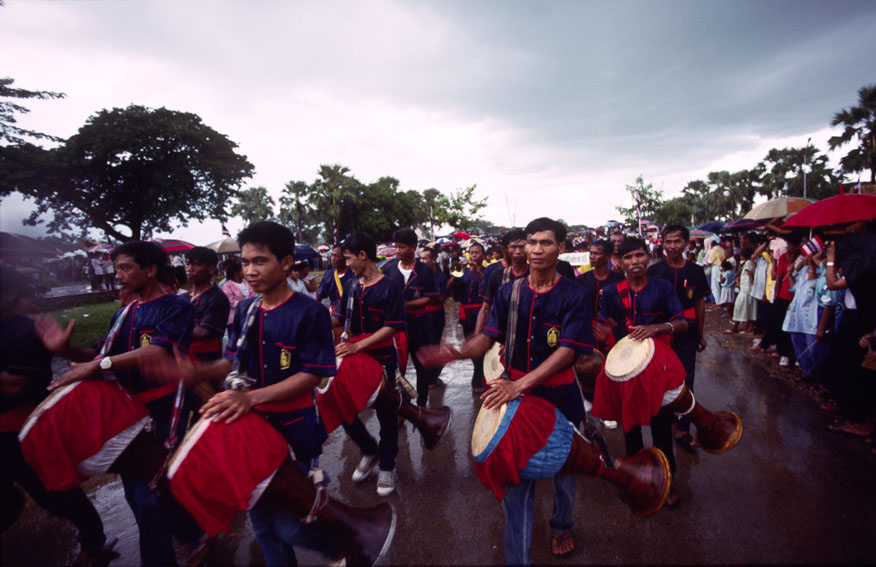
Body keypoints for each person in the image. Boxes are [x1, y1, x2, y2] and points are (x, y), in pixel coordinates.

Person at [419, 217, 594, 564]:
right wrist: (456, 351)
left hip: (560, 397)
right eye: (532, 242)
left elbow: (567, 352)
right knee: (516, 484)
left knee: (566, 470)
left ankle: (562, 523)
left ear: (561, 247)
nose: (537, 249)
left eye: (546, 243)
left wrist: (519, 385)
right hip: (518, 401)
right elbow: (487, 337)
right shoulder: (508, 291)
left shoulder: (575, 293)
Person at [169, 221, 343, 565]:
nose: (250, 270)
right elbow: (233, 359)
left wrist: (250, 398)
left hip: (294, 430)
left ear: (286, 263)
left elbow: (314, 376)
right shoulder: (247, 311)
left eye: (260, 261)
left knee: (290, 524)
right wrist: (200, 372)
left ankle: (339, 546)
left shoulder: (310, 312)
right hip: (250, 432)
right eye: (245, 262)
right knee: (261, 523)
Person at [39, 241, 203, 567]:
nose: (117, 276)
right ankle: (192, 531)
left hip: (164, 411)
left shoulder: (176, 307)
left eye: (125, 268)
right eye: (116, 269)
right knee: (139, 493)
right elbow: (99, 356)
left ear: (151, 270)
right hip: (126, 415)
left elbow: (157, 352)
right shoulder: (124, 312)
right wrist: (66, 351)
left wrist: (98, 366)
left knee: (147, 497)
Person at [1, 267, 113, 566]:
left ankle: (92, 539)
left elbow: (15, 386)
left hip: (22, 428)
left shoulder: (27, 331)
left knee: (53, 491)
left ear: (9, 294)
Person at [597, 237, 688, 508]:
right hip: (626, 369)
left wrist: (657, 328)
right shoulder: (613, 292)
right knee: (631, 430)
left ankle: (665, 483)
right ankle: (637, 481)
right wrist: (603, 332)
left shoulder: (661, 287)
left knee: (661, 429)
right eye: (628, 258)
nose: (635, 262)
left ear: (647, 257)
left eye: (639, 255)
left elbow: (681, 322)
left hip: (657, 367)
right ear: (619, 262)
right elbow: (605, 323)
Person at [332, 232, 407, 496]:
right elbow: (339, 317)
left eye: (349, 258)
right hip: (353, 362)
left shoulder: (391, 287)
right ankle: (369, 449)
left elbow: (393, 327)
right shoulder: (352, 285)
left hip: (382, 359)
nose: (347, 263)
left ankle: (387, 465)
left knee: (387, 417)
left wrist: (358, 346)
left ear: (363, 255)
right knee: (344, 409)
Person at [646, 225, 710, 452]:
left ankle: (683, 427)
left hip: (686, 333)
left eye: (676, 241)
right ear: (662, 244)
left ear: (686, 243)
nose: (672, 246)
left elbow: (700, 303)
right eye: (667, 242)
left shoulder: (696, 271)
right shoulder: (654, 271)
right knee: (660, 378)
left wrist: (700, 334)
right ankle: (665, 419)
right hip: (660, 334)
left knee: (686, 378)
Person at [381, 228, 441, 406]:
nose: (397, 251)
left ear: (413, 248)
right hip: (395, 327)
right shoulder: (389, 268)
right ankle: (401, 406)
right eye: (396, 247)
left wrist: (405, 305)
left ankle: (422, 405)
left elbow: (430, 297)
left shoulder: (424, 271)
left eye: (402, 247)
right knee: (396, 368)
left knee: (422, 367)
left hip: (419, 325)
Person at [448, 241, 486, 392]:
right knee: (469, 344)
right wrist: (456, 275)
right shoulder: (463, 271)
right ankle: (479, 376)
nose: (474, 255)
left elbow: (488, 286)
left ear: (483, 255)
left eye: (477, 252)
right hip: (466, 315)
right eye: (472, 252)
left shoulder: (488, 270)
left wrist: (477, 271)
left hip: (481, 313)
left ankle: (478, 379)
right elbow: (448, 288)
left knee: (481, 346)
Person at [183, 247, 230, 365]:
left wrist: (171, 328)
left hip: (206, 363)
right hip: (183, 358)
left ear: (211, 269)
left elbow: (204, 332)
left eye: (195, 265)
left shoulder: (217, 298)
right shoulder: (184, 297)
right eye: (187, 264)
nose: (189, 269)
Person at [316, 245, 355, 310]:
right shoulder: (328, 275)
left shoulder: (353, 274)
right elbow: (319, 296)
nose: (332, 258)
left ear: (345, 257)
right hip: (334, 316)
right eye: (332, 255)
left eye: (335, 256)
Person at [220, 260, 256, 327]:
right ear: (237, 272)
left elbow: (253, 295)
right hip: (234, 319)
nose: (245, 272)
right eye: (243, 270)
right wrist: (246, 304)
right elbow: (231, 302)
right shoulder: (227, 285)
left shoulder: (246, 283)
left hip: (248, 317)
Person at [729, 247, 756, 334]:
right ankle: (737, 326)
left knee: (741, 306)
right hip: (744, 288)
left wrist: (754, 286)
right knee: (742, 307)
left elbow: (750, 275)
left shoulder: (748, 263)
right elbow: (738, 274)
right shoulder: (745, 263)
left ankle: (743, 326)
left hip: (747, 289)